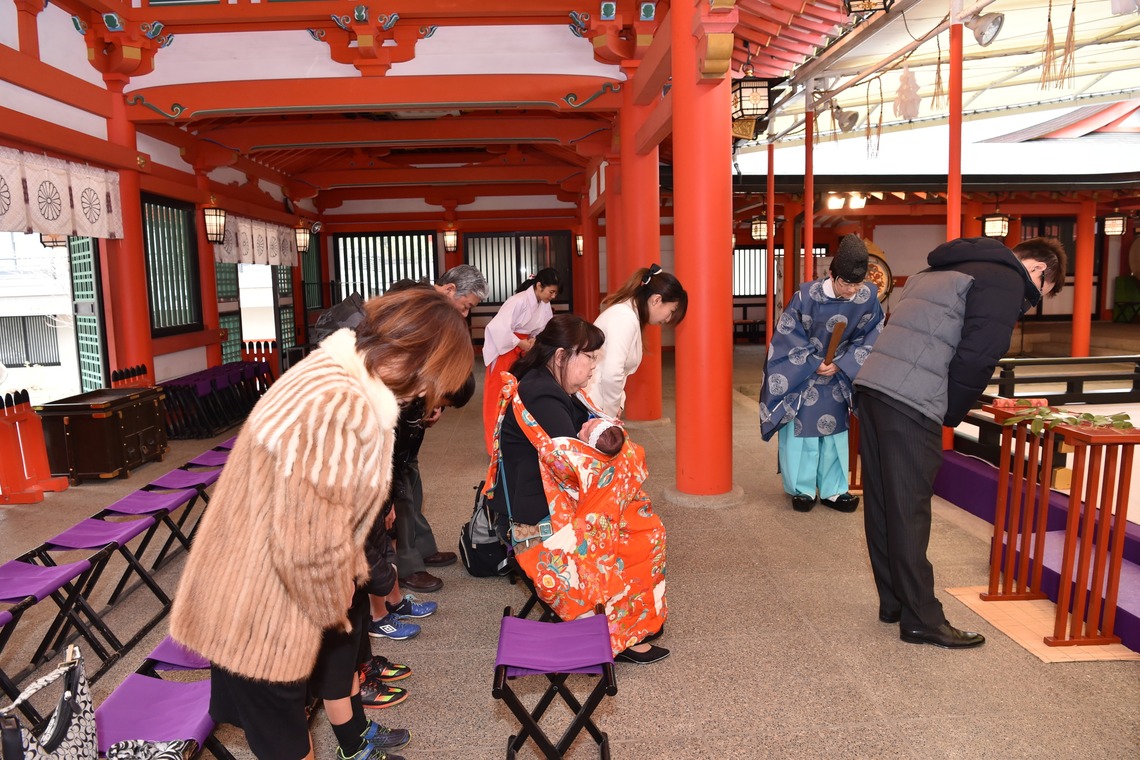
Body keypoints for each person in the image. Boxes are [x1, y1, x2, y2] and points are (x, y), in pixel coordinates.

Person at [170, 288, 474, 760]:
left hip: (261, 581)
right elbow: (307, 548)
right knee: (286, 742)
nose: (423, 396)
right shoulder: (341, 406)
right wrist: (343, 588)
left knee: (290, 725)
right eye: (430, 383)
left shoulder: (334, 371)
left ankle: (350, 735)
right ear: (414, 357)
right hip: (262, 603)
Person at [853, 236, 1066, 649]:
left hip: (875, 387)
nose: (1030, 300)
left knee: (882, 503)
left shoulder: (942, 267)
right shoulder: (1006, 278)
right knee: (910, 510)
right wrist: (950, 411)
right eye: (1042, 292)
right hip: (911, 399)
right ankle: (922, 619)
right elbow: (979, 354)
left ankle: (894, 602)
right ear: (1039, 270)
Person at [485, 314, 669, 664]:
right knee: (638, 535)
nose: (592, 369)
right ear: (560, 356)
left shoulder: (546, 385)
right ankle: (621, 633)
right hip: (540, 521)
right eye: (588, 359)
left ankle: (635, 619)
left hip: (547, 504)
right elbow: (576, 464)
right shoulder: (541, 394)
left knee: (642, 527)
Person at [759, 235, 884, 513]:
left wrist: (843, 363)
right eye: (846, 283)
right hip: (804, 376)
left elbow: (873, 336)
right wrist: (813, 362)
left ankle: (834, 490)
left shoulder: (867, 298)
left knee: (834, 434)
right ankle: (802, 489)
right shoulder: (805, 297)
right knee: (803, 433)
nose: (852, 290)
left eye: (858, 284)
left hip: (840, 376)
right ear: (831, 274)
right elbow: (787, 335)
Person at [385, 265, 489, 593]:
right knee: (397, 488)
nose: (465, 312)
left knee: (410, 480)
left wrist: (435, 402)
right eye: (467, 304)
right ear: (449, 289)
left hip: (415, 408)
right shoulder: (415, 302)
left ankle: (423, 548)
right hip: (394, 408)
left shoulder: (440, 314)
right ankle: (407, 565)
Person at [584, 263, 688, 418]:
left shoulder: (628, 316)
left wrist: (618, 403)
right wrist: (611, 416)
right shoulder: (624, 318)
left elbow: (617, 373)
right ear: (656, 300)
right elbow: (612, 373)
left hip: (598, 402)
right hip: (594, 404)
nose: (668, 319)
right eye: (671, 311)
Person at [481, 268, 561, 453]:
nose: (553, 296)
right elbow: (498, 328)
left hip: (526, 348)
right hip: (506, 350)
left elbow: (544, 328)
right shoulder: (517, 301)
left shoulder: (544, 304)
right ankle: (495, 446)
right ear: (539, 286)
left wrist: (534, 340)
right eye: (551, 291)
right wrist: (520, 342)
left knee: (520, 397)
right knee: (498, 397)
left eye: (555, 292)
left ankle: (515, 442)